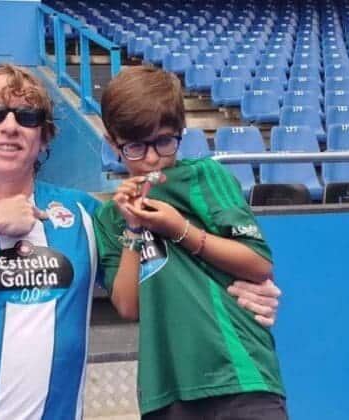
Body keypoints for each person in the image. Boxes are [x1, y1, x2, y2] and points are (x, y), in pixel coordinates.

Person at [0, 63, 282, 419]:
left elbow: (151, 280)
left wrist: (253, 289)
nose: (10, 125)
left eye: (27, 116)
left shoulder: (86, 214)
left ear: (44, 137)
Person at [93, 65, 288, 419]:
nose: (152, 158)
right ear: (112, 143)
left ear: (181, 132)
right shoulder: (110, 218)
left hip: (238, 375)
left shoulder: (206, 175)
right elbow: (128, 306)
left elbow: (259, 264)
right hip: (164, 389)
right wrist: (133, 229)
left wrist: (179, 228)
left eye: (164, 141)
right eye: (134, 146)